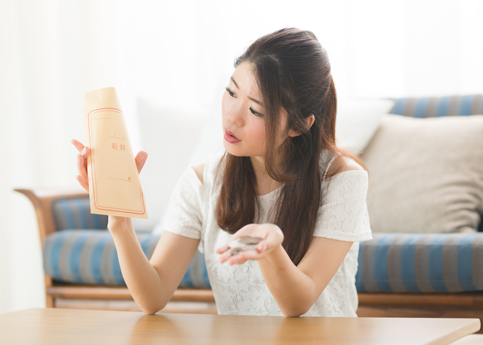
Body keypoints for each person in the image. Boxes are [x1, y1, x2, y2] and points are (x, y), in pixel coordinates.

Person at [71, 27, 372, 317]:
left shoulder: (342, 179)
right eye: (231, 92)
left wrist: (269, 248)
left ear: (298, 125)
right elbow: (153, 295)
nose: (232, 116)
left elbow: (298, 302)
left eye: (255, 110)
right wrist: (119, 220)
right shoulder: (202, 181)